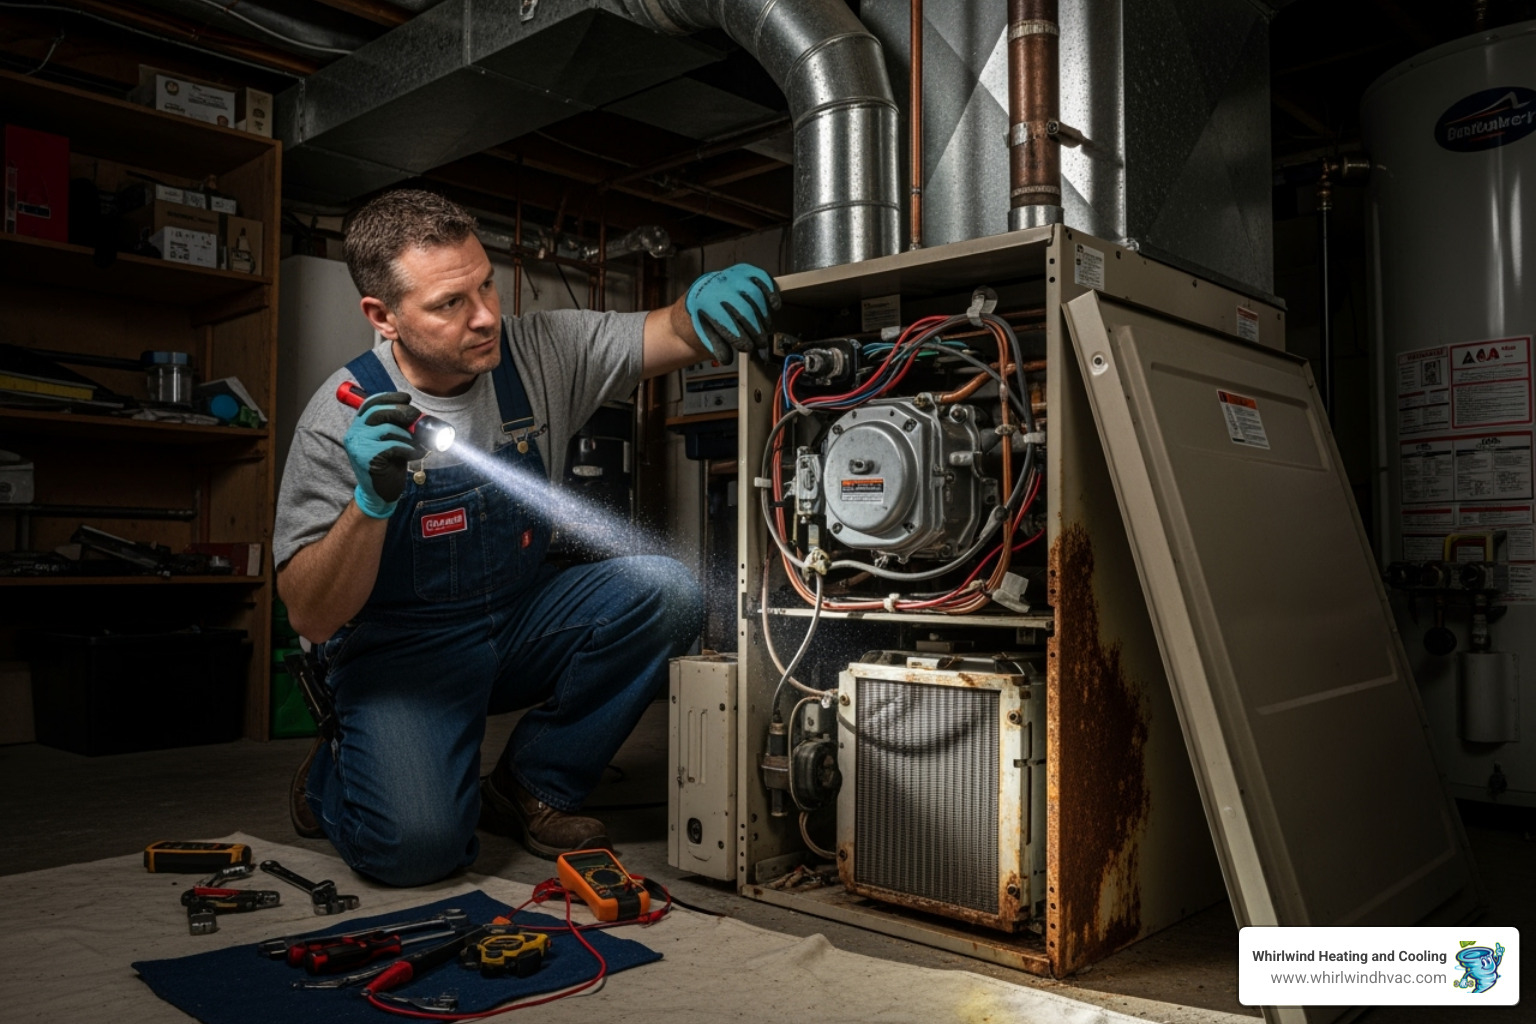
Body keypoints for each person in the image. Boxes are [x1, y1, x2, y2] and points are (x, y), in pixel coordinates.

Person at [274, 189, 777, 886]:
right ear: (382, 316)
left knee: (666, 592)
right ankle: (338, 772)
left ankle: (533, 781)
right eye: (450, 303)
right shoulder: (337, 420)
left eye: (486, 285)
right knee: (419, 853)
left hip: (514, 621)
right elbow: (310, 613)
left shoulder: (540, 352)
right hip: (404, 655)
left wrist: (702, 307)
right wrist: (368, 503)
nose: (484, 317)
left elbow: (671, 331)